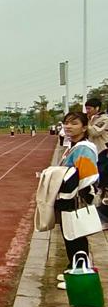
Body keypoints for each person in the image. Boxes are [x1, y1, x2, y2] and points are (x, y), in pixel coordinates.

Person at [55, 112, 100, 286]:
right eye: (66, 123)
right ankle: (72, 267)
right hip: (69, 198)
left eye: (74, 123)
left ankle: (79, 275)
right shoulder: (74, 145)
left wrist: (77, 196)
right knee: (70, 236)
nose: (68, 126)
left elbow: (87, 176)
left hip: (75, 199)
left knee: (76, 237)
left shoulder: (83, 148)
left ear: (84, 127)